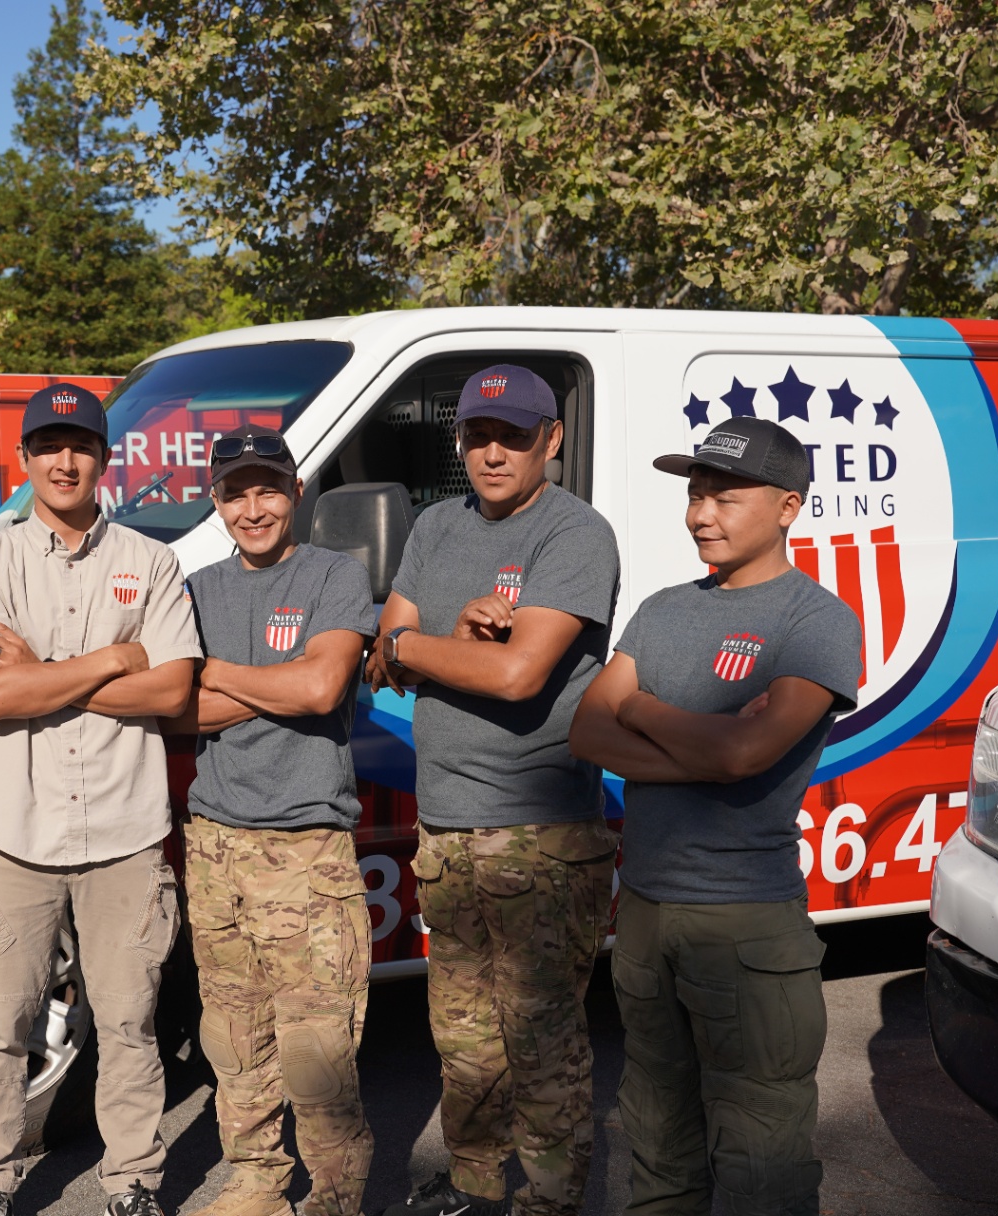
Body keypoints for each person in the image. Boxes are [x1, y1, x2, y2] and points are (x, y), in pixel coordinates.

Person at [570, 417, 860, 1216]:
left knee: (763, 1166)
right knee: (657, 1147)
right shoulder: (662, 610)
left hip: (746, 926)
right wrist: (708, 744)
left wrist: (641, 707)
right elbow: (588, 731)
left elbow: (746, 753)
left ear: (789, 506)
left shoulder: (816, 620)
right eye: (696, 495)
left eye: (725, 497)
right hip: (646, 915)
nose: (701, 514)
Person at [366, 366, 621, 1216]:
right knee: (465, 1042)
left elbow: (516, 675)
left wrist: (415, 647)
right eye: (479, 435)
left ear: (552, 439)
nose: (494, 452)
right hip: (445, 827)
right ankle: (473, 1189)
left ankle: (548, 1203)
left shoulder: (575, 534)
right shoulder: (436, 525)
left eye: (514, 435)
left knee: (542, 1045)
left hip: (539, 836)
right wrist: (442, 642)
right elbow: (378, 660)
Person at [0, 382, 202, 1216]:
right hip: (14, 834)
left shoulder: (151, 562)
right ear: (24, 459)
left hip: (125, 832)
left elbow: (170, 691)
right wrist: (109, 660)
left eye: (82, 446)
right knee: (0, 1026)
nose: (66, 461)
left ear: (105, 458)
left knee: (130, 1025)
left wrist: (44, 673)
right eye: (49, 446)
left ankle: (132, 1182)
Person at [161, 430, 377, 1216]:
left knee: (317, 1048)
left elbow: (321, 689)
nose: (253, 509)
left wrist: (217, 673)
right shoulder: (194, 591)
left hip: (305, 850)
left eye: (268, 490)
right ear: (215, 501)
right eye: (235, 493)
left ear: (296, 492)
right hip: (215, 846)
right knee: (234, 1037)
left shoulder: (333, 576)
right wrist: (275, 681)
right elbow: (175, 710)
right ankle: (256, 1178)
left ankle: (335, 1194)